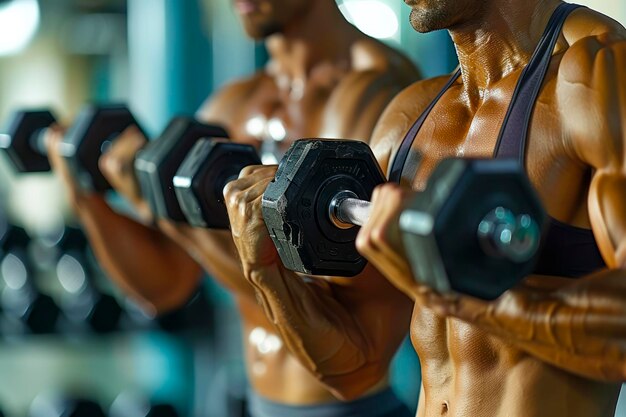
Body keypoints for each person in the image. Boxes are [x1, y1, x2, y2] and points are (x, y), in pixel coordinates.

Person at [224, 0, 626, 416]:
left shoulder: (601, 74)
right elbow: (358, 368)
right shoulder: (408, 118)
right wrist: (265, 272)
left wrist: (458, 297)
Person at [46, 0, 420, 416]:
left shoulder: (380, 96)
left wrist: (175, 220)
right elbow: (167, 287)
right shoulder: (234, 105)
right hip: (256, 403)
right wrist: (85, 195)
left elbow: (353, 354)